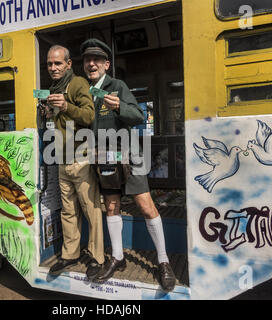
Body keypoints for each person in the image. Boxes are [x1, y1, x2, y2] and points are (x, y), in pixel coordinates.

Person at [80, 38, 176, 291]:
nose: (91, 64)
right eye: (88, 60)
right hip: (104, 159)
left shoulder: (116, 86)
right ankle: (118, 258)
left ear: (106, 64)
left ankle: (164, 261)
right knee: (112, 207)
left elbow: (138, 116)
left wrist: (121, 106)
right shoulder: (85, 92)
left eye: (97, 60)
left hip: (129, 158)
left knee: (145, 206)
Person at [44, 45, 105, 280]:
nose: (53, 68)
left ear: (69, 64)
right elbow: (61, 119)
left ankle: (97, 257)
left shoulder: (78, 83)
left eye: (58, 63)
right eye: (50, 64)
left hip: (81, 158)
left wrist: (66, 106)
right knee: (68, 211)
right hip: (62, 158)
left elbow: (89, 116)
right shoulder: (54, 88)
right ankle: (70, 254)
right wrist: (49, 113)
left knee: (91, 210)